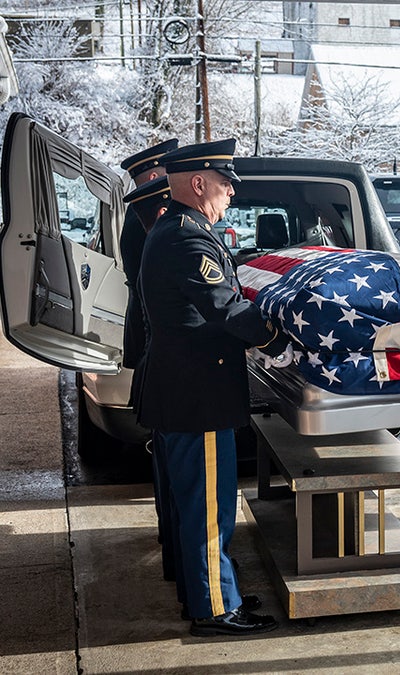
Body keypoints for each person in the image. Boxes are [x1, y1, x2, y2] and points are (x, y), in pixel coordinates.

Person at [138, 139, 291, 636]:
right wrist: (276, 338)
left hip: (182, 390)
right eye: (225, 184)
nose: (230, 194)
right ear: (198, 183)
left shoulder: (177, 228)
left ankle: (202, 595)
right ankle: (215, 609)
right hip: (197, 394)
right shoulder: (187, 238)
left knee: (193, 505)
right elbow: (225, 308)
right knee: (208, 509)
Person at [117, 140, 178, 586]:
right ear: (155, 178)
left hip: (154, 352)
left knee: (167, 462)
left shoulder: (142, 222)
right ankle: (174, 544)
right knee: (173, 465)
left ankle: (171, 541)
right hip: (165, 354)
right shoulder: (154, 225)